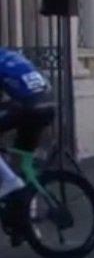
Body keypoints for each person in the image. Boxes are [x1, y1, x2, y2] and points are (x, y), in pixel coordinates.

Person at [0, 48, 54, 199]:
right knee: (22, 161)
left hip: (28, 107)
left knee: (15, 173)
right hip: (48, 105)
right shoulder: (11, 55)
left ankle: (10, 180)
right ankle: (24, 204)